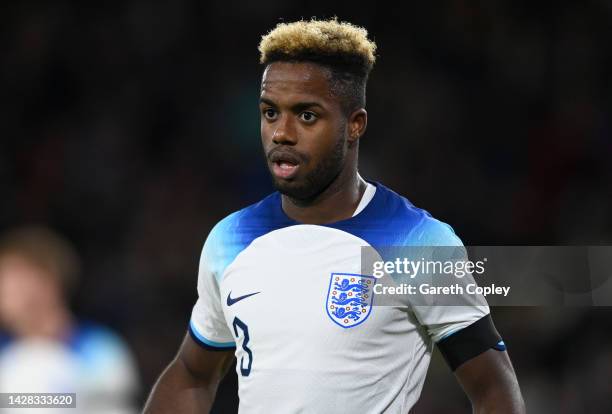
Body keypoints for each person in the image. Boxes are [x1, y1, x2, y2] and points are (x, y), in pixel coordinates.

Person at [144, 18, 525, 413]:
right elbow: (192, 373)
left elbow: (493, 388)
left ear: (354, 125)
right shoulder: (231, 239)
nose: (282, 133)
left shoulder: (417, 242)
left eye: (306, 115)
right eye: (270, 113)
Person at [0, 227, 139, 414]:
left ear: (46, 280)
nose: (4, 290)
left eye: (9, 278)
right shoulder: (6, 353)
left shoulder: (100, 351)